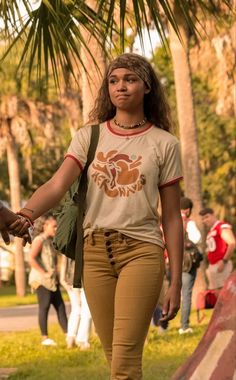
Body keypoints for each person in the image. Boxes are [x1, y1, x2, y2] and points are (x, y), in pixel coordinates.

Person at [8, 53, 183, 379]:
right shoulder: (89, 137)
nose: (121, 87)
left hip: (141, 251)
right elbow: (57, 184)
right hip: (94, 254)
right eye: (114, 80)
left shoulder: (164, 144)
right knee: (114, 356)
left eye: (130, 79)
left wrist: (175, 282)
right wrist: (26, 216)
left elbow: (172, 217)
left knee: (125, 363)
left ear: (146, 87)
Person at [28, 214, 68, 346]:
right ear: (45, 226)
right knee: (44, 307)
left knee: (61, 307)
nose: (56, 229)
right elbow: (31, 258)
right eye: (54, 226)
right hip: (41, 280)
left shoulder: (51, 241)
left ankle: (68, 335)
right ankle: (45, 338)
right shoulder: (39, 240)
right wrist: (44, 273)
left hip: (52, 281)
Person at [178, 197, 201, 334]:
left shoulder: (169, 221)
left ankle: (163, 326)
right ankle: (184, 326)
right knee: (186, 294)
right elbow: (197, 238)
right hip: (186, 263)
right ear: (187, 210)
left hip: (170, 263)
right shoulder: (188, 222)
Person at [199, 207, 235, 290]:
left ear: (213, 215)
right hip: (214, 266)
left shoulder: (221, 226)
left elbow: (232, 243)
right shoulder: (212, 230)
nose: (205, 220)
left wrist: (224, 261)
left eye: (207, 217)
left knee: (225, 295)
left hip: (221, 266)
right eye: (203, 219)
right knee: (217, 295)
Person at [60, 255, 92, 349]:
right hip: (84, 279)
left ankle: (70, 337)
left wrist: (62, 279)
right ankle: (82, 341)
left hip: (70, 279)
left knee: (76, 309)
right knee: (87, 311)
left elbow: (64, 258)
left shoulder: (70, 240)